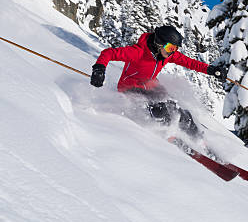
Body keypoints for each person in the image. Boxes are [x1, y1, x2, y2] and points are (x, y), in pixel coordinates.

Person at [90, 25, 227, 138]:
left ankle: (197, 139)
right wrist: (99, 69)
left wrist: (211, 70)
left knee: (178, 109)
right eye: (170, 48)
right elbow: (108, 53)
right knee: (160, 109)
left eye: (175, 49)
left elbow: (190, 63)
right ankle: (168, 135)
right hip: (130, 87)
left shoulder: (166, 56)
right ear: (158, 43)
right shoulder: (138, 52)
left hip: (150, 86)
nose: (172, 52)